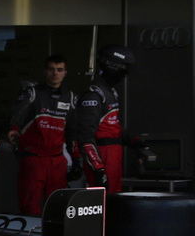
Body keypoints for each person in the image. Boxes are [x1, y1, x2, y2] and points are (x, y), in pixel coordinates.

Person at [8, 53, 75, 216]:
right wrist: (14, 129)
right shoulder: (33, 93)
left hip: (57, 160)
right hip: (34, 159)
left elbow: (73, 129)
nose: (55, 73)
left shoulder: (70, 97)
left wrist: (77, 158)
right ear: (45, 71)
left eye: (60, 70)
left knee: (57, 207)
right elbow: (17, 117)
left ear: (65, 73)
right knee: (29, 206)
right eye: (51, 69)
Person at [70, 44, 135, 194]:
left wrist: (134, 141)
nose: (126, 72)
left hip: (113, 157)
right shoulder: (94, 94)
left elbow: (113, 125)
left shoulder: (110, 91)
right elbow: (85, 137)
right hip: (102, 157)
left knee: (112, 204)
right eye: (125, 67)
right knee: (103, 206)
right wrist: (98, 169)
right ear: (113, 66)